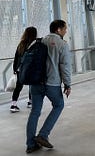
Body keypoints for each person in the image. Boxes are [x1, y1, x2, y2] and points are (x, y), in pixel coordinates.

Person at [26, 19, 71, 154]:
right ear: (58, 30)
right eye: (64, 28)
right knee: (59, 105)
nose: (65, 30)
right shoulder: (62, 44)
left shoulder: (38, 41)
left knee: (34, 112)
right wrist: (67, 84)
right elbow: (65, 66)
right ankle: (43, 135)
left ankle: (30, 144)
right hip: (52, 83)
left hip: (35, 83)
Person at [10, 26, 37, 113]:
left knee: (18, 86)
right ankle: (30, 102)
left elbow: (16, 57)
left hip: (20, 69)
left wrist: (15, 68)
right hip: (31, 69)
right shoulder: (35, 44)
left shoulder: (21, 44)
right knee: (31, 85)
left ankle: (13, 105)